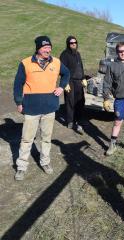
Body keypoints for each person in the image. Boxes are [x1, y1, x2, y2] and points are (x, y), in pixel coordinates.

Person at [13, 36, 70, 181]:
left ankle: (45, 162)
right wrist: (19, 102)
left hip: (49, 107)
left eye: (49, 47)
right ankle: (21, 167)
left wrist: (61, 87)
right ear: (38, 48)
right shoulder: (26, 63)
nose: (48, 50)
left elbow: (66, 73)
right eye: (45, 47)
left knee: (46, 138)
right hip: (31, 107)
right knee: (27, 139)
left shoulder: (56, 62)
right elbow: (18, 84)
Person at [102, 42, 124, 155]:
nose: (122, 53)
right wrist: (106, 98)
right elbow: (107, 82)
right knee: (117, 122)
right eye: (120, 51)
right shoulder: (112, 66)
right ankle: (112, 145)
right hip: (120, 99)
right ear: (117, 52)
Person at [60, 36, 87, 131]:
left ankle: (79, 120)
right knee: (70, 101)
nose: (74, 44)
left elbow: (81, 67)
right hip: (69, 81)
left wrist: (83, 78)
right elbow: (62, 69)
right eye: (71, 43)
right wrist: (65, 82)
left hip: (78, 81)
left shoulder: (78, 54)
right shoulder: (64, 54)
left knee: (80, 101)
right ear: (68, 44)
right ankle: (70, 121)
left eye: (75, 42)